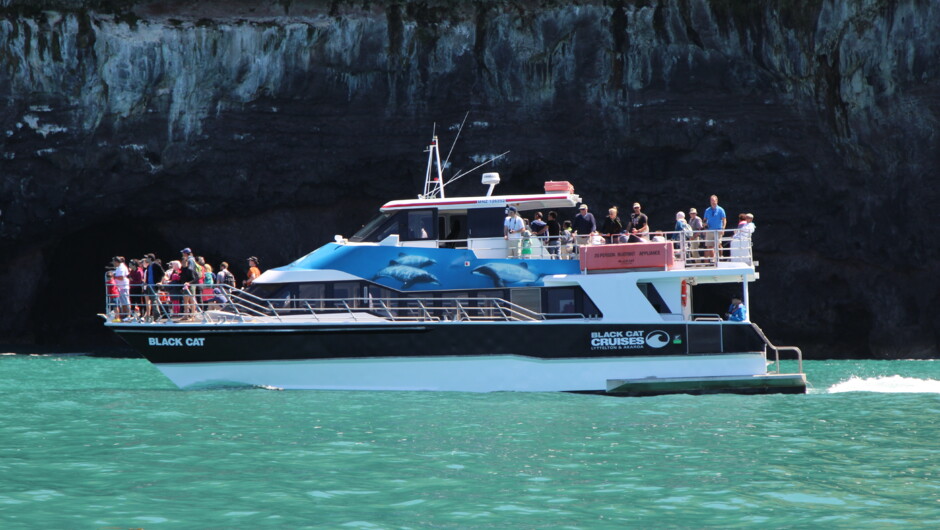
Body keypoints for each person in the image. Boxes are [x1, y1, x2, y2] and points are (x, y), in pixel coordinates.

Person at [703, 195, 726, 259]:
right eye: (711, 200)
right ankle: (713, 259)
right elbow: (704, 220)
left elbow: (724, 219)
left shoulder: (721, 210)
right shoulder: (707, 210)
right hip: (710, 230)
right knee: (709, 245)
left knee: (718, 244)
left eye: (714, 200)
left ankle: (721, 257)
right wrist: (704, 227)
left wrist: (723, 228)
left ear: (717, 201)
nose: (713, 202)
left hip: (718, 230)